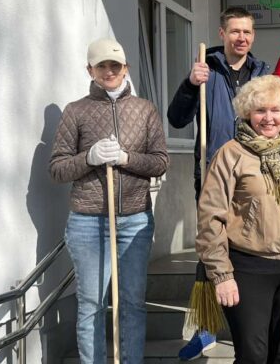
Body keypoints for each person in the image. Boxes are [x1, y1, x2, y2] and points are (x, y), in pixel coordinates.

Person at [50, 38, 169, 364]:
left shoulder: (145, 110)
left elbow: (161, 162)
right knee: (91, 304)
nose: (109, 71)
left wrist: (127, 158)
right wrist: (88, 157)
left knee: (132, 302)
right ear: (90, 70)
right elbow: (57, 169)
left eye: (115, 65)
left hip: (135, 220)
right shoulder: (76, 111)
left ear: (126, 68)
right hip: (88, 221)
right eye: (101, 65)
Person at [197, 75, 280, 364]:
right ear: (248, 112)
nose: (268, 118)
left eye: (275, 110)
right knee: (253, 356)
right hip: (248, 268)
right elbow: (210, 218)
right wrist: (221, 275)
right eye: (260, 110)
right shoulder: (230, 155)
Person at [166, 7, 271, 360]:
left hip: (254, 175)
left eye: (247, 32)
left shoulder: (262, 73)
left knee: (247, 246)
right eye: (235, 31)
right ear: (222, 33)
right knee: (211, 245)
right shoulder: (205, 69)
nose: (242, 38)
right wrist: (189, 84)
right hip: (213, 172)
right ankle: (206, 328)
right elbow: (177, 119)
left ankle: (249, 328)